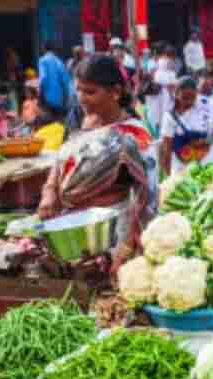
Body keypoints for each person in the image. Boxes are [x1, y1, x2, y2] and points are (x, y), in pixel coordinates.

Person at [38, 54, 154, 269]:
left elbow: (148, 197)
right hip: (69, 227)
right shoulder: (78, 117)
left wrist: (128, 247)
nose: (81, 98)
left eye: (90, 92)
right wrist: (50, 191)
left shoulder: (134, 135)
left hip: (110, 233)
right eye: (78, 90)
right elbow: (62, 157)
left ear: (116, 92)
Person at [160, 76, 213, 177]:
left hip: (208, 168)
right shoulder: (170, 115)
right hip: (182, 171)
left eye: (192, 98)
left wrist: (207, 141)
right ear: (176, 95)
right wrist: (168, 178)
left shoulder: (209, 104)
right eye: (184, 98)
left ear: (197, 93)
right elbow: (166, 149)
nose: (188, 102)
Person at [37, 45, 72, 117]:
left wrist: (39, 91)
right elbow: (66, 80)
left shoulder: (43, 60)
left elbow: (43, 78)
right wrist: (66, 96)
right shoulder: (58, 61)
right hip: (59, 98)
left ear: (44, 50)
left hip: (47, 98)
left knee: (48, 120)